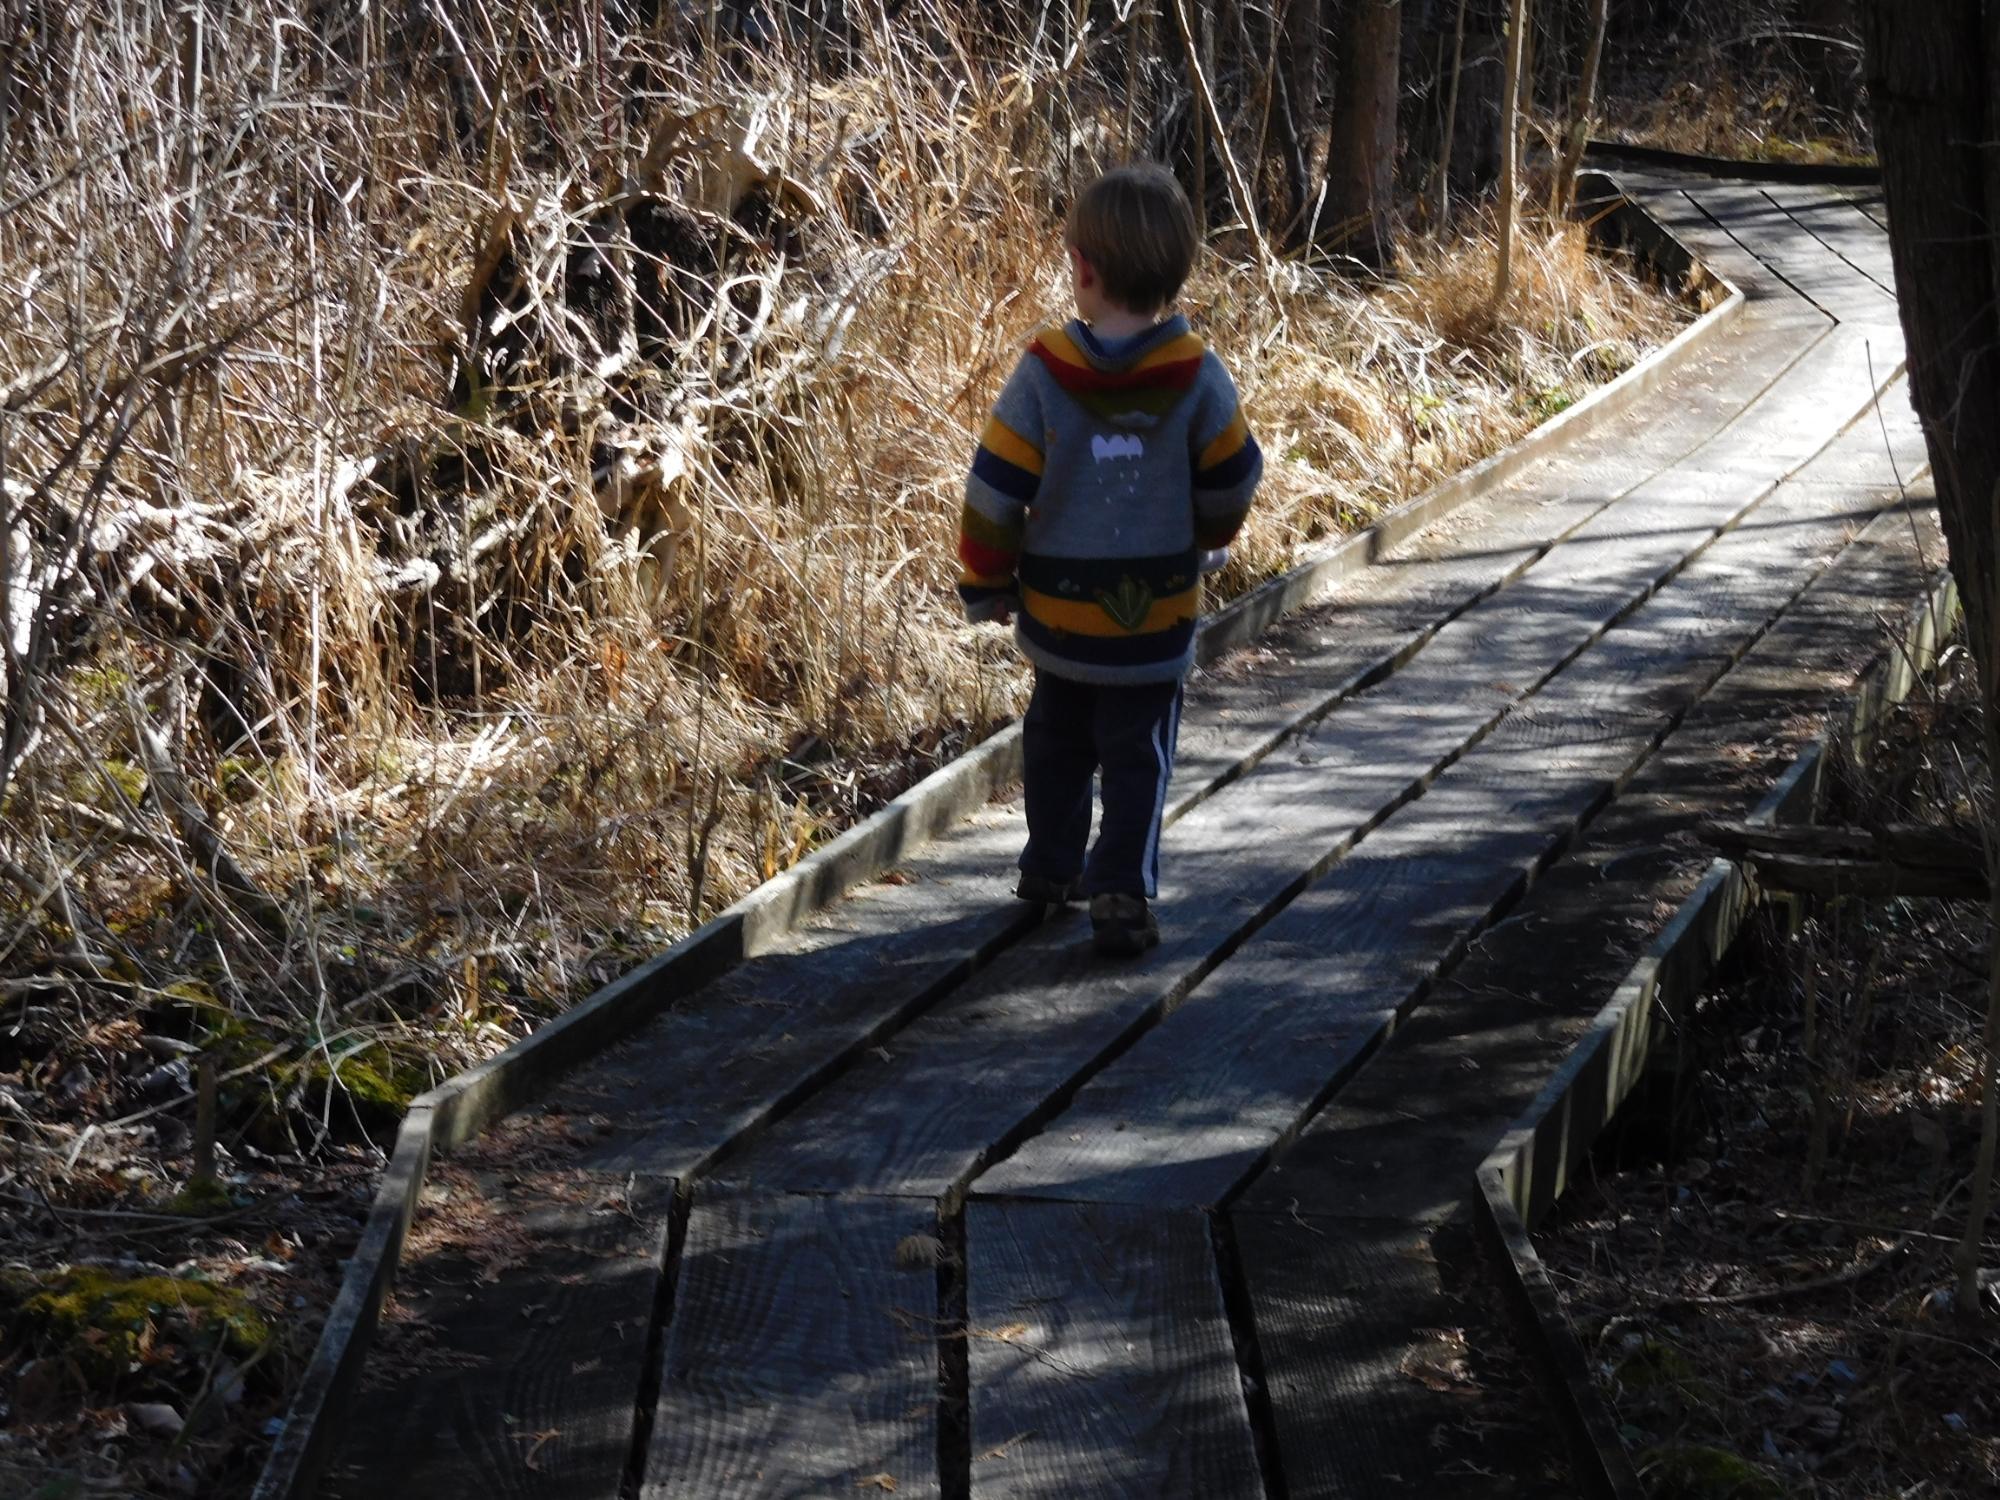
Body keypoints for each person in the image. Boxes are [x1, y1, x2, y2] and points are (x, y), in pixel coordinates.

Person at [956, 162, 1263, 956]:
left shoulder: (1044, 372)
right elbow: (1235, 475)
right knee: (1139, 757)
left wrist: (987, 581)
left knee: (1055, 741)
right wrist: (1208, 535)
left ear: (1083, 270)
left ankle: (1051, 866)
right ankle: (1122, 889)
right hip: (1153, 617)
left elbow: (993, 489)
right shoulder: (1197, 375)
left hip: (1060, 618)